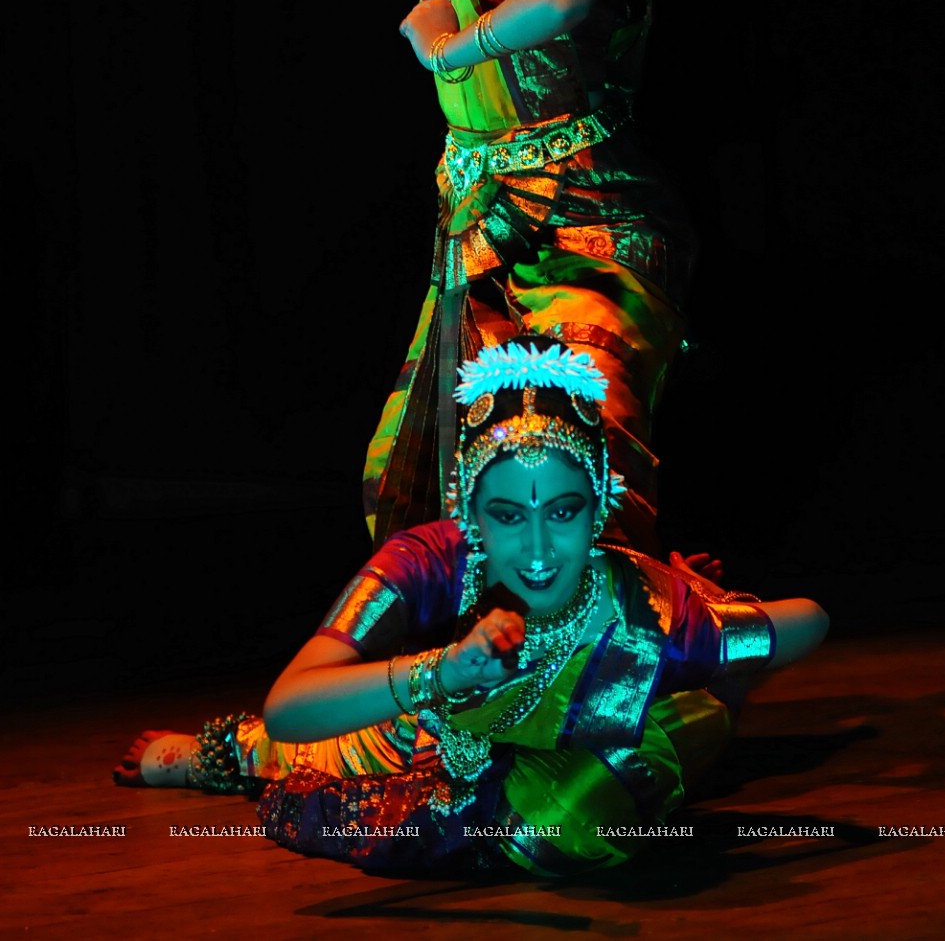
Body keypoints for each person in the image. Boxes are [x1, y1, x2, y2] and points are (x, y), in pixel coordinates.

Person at [115, 339, 829, 877]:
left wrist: (705, 612)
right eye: (508, 515)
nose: (541, 547)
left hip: (590, 741)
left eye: (565, 509)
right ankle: (228, 754)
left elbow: (810, 619)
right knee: (317, 749)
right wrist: (446, 672)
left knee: (593, 792)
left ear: (601, 503)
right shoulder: (424, 559)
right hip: (431, 724)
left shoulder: (628, 597)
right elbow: (295, 701)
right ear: (467, 510)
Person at [370, 0, 699, 555]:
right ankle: (517, 640)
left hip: (588, 207)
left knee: (587, 418)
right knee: (498, 443)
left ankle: (621, 632)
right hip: (485, 212)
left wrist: (451, 46)